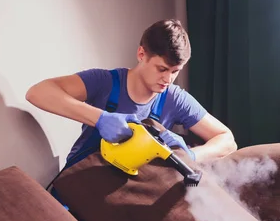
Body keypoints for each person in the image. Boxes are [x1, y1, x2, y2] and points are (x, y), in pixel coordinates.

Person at [26, 18, 237, 173]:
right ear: (141, 54)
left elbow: (227, 140)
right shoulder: (105, 82)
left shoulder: (174, 99)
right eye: (162, 69)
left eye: (175, 71)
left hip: (132, 191)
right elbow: (38, 92)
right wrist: (100, 118)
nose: (168, 79)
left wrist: (190, 156)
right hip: (83, 181)